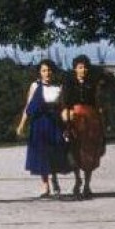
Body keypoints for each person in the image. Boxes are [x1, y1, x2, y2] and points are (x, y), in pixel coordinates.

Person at [16, 59, 70, 197]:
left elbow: (63, 107)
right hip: (39, 125)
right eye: (44, 70)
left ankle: (55, 179)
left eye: (49, 70)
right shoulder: (35, 86)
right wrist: (22, 125)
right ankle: (45, 186)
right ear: (40, 72)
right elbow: (28, 107)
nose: (47, 73)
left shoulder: (58, 87)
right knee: (42, 155)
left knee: (55, 153)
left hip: (54, 124)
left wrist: (68, 124)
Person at [61, 54, 105, 199]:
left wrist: (100, 119)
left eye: (85, 67)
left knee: (89, 152)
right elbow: (66, 104)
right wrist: (67, 123)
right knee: (74, 150)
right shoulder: (69, 84)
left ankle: (87, 184)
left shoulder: (92, 84)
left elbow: (96, 103)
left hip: (90, 120)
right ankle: (77, 179)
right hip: (74, 119)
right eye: (80, 67)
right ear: (75, 69)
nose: (83, 70)